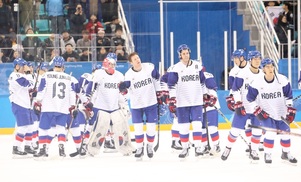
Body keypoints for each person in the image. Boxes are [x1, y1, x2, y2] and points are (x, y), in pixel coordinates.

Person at [246, 58, 297, 164]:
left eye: (272, 66)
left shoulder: (282, 80)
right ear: (263, 69)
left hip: (281, 113)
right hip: (267, 114)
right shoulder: (256, 82)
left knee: (285, 134)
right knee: (270, 133)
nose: (270, 68)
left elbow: (289, 96)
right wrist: (257, 110)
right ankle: (267, 153)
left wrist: (290, 109)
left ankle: (286, 153)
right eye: (268, 67)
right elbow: (250, 99)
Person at [84, 53, 134, 156]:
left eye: (114, 64)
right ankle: (88, 147)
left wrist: (125, 106)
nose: (112, 66)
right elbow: (91, 87)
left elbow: (122, 93)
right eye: (110, 64)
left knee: (120, 127)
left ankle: (123, 147)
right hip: (100, 107)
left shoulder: (119, 75)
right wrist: (87, 100)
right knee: (95, 128)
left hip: (114, 107)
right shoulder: (99, 74)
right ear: (106, 64)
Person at [221, 50, 264, 162]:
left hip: (256, 109)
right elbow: (235, 90)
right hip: (244, 107)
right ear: (250, 60)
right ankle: (227, 148)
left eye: (259, 59)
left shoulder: (262, 74)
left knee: (257, 132)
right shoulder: (242, 73)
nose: (257, 61)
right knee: (235, 130)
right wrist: (238, 103)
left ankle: (253, 150)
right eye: (255, 59)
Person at [166, 44, 208, 159]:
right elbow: (171, 85)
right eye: (183, 53)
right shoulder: (175, 68)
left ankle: (198, 147)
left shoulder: (197, 65)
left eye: (187, 53)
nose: (186, 55)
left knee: (197, 125)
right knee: (184, 127)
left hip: (196, 101)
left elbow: (203, 82)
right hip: (182, 102)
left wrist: (205, 94)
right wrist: (173, 99)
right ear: (179, 55)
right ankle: (185, 148)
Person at [118, 52, 161, 159]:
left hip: (151, 103)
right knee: (138, 128)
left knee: (151, 127)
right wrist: (122, 89)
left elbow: (157, 80)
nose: (138, 60)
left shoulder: (149, 67)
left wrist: (160, 94)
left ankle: (150, 146)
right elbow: (125, 92)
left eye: (138, 58)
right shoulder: (128, 75)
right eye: (135, 59)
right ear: (131, 63)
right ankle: (139, 148)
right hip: (136, 105)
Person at [33, 56, 76, 158]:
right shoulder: (69, 78)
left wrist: (37, 102)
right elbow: (72, 93)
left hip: (48, 106)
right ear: (63, 66)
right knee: (61, 128)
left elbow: (41, 90)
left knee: (43, 128)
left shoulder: (46, 75)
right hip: (63, 107)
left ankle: (43, 149)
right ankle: (61, 148)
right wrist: (73, 106)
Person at [8, 58, 36, 156]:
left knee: (30, 127)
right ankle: (16, 147)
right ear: (17, 66)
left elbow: (30, 88)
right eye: (23, 66)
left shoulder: (21, 75)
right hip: (19, 104)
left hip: (25, 104)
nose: (25, 68)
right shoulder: (15, 75)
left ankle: (27, 146)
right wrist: (29, 72)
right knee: (23, 127)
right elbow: (28, 84)